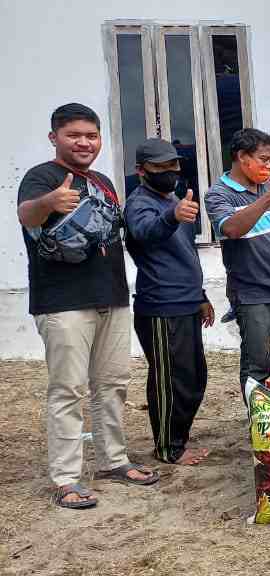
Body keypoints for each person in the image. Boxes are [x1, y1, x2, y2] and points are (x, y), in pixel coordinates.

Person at [17, 103, 159, 509]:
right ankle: (66, 478)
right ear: (54, 138)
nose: (84, 142)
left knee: (112, 385)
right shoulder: (41, 178)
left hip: (112, 297)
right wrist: (50, 202)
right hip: (62, 303)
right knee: (68, 389)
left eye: (91, 136)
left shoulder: (101, 181)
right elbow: (25, 213)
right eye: (74, 135)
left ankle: (114, 460)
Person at [124, 138, 214, 466]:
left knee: (193, 378)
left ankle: (179, 439)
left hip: (186, 302)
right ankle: (168, 447)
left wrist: (201, 296)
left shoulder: (174, 198)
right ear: (141, 171)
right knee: (169, 380)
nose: (170, 172)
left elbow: (184, 254)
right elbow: (145, 232)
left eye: (173, 165)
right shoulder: (140, 202)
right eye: (160, 167)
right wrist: (172, 217)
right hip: (161, 306)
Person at [206, 128, 270, 389]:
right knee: (259, 365)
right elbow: (233, 229)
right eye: (264, 159)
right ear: (242, 157)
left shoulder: (266, 185)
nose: (269, 166)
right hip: (254, 294)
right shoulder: (219, 194)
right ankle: (258, 428)